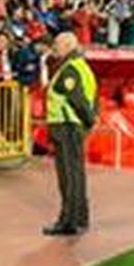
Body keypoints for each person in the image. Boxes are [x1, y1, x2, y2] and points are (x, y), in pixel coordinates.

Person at [43, 31, 97, 236]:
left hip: (66, 127)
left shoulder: (69, 70)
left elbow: (77, 99)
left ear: (68, 46)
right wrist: (90, 121)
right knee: (77, 174)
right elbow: (91, 98)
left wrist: (89, 120)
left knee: (68, 176)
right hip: (73, 126)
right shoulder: (82, 67)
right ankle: (80, 217)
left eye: (57, 44)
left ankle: (69, 221)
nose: (54, 48)